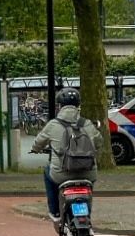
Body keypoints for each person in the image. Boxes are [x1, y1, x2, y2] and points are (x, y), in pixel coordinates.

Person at [31, 88, 103, 222]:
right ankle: (87, 215)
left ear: (60, 106)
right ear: (77, 106)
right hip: (88, 173)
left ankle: (55, 212)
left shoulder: (53, 125)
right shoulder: (87, 123)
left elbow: (38, 143)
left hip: (61, 175)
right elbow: (99, 141)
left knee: (47, 172)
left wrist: (36, 149)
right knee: (89, 186)